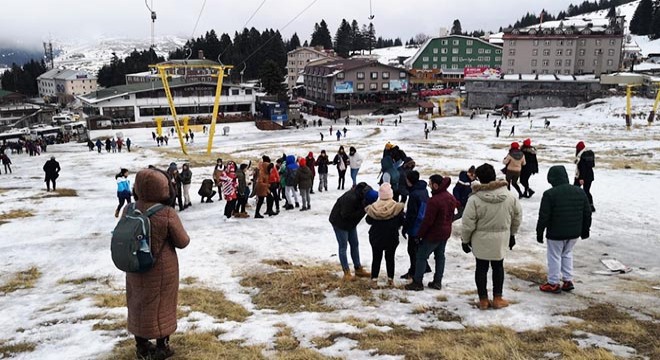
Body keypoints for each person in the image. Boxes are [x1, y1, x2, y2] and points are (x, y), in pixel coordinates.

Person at [125, 168, 190, 359]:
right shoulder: (167, 213)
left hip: (134, 266)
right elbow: (182, 241)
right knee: (162, 305)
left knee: (137, 303)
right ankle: (162, 347)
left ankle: (142, 347)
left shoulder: (129, 209)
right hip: (162, 268)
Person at [461, 163, 522, 310]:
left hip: (480, 239)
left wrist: (465, 240)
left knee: (481, 268)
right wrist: (512, 234)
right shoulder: (510, 196)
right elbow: (517, 217)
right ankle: (498, 298)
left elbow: (468, 222)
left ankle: (483, 299)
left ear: (479, 179)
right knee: (498, 267)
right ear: (494, 176)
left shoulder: (474, 199)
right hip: (501, 238)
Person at [537, 165, 592, 294]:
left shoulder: (549, 194)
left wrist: (539, 232)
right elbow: (587, 213)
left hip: (556, 233)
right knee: (567, 254)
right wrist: (585, 230)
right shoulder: (580, 191)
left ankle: (553, 283)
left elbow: (544, 216)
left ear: (551, 179)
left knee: (554, 256)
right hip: (574, 232)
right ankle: (568, 280)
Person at [405, 174, 459, 291]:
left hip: (433, 234)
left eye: (430, 184)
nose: (429, 186)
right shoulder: (449, 197)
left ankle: (417, 282)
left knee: (421, 256)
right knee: (440, 257)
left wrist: (419, 235)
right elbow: (457, 207)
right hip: (445, 232)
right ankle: (437, 281)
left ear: (435, 185)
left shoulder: (434, 201)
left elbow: (427, 221)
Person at [329, 182, 374, 280]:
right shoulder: (350, 198)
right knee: (343, 247)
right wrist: (363, 210)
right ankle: (346, 272)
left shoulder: (364, 194)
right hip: (340, 223)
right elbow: (346, 215)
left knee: (355, 244)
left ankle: (358, 269)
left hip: (351, 224)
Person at [365, 183, 405, 285]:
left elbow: (368, 220)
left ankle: (374, 280)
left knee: (376, 258)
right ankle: (390, 280)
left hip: (376, 236)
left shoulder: (373, 207)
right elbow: (402, 221)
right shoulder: (396, 207)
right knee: (390, 258)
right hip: (391, 236)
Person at [401, 170, 430, 280]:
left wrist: (405, 228)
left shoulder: (414, 194)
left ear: (409, 181)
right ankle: (425, 267)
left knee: (412, 250)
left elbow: (411, 214)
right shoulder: (423, 190)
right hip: (423, 224)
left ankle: (413, 272)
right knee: (417, 249)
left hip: (415, 226)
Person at [574, 141, 596, 212]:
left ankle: (575, 204)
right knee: (586, 191)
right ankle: (590, 205)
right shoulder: (589, 154)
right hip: (589, 176)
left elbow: (582, 168)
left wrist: (581, 178)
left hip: (581, 176)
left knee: (575, 190)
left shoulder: (581, 156)